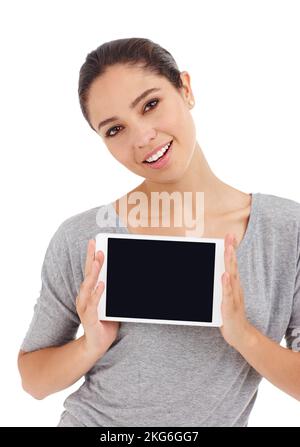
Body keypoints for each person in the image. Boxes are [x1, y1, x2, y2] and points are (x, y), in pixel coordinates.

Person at [17, 37, 300, 427]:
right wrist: (92, 343)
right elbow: (33, 380)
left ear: (185, 89)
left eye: (150, 105)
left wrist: (243, 335)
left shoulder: (285, 231)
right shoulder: (85, 238)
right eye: (115, 130)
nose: (142, 137)